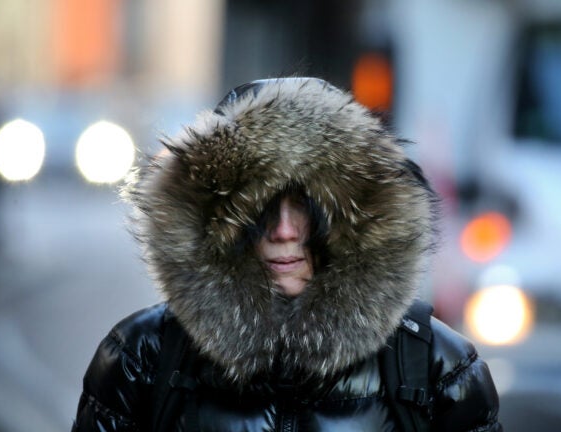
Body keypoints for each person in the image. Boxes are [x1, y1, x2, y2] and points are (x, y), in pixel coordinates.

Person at [72, 77, 502, 431]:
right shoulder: (141, 358)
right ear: (215, 221)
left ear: (354, 222)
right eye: (259, 206)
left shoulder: (436, 367)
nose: (282, 230)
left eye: (305, 205)